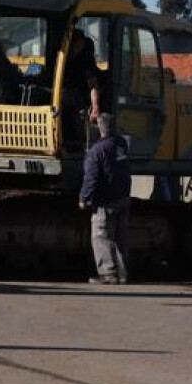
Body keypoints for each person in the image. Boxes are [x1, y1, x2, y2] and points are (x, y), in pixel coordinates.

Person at [79, 112, 131, 285]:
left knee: (101, 236)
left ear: (99, 129)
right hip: (123, 197)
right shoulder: (121, 144)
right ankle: (122, 274)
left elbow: (91, 178)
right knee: (120, 237)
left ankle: (108, 274)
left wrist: (84, 198)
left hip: (106, 200)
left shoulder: (97, 151)